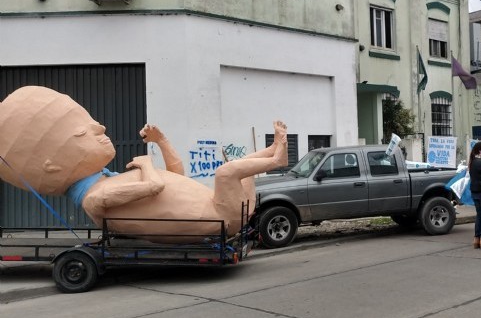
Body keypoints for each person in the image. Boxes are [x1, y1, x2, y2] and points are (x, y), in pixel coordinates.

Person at [0, 86, 288, 242]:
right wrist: (145, 164)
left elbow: (178, 177)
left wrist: (161, 142)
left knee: (234, 166)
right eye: (82, 131)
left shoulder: (111, 180)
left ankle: (273, 150)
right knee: (226, 171)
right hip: (221, 216)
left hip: (223, 210)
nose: (100, 127)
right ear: (51, 167)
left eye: (91, 122)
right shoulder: (95, 200)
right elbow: (155, 185)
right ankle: (277, 159)